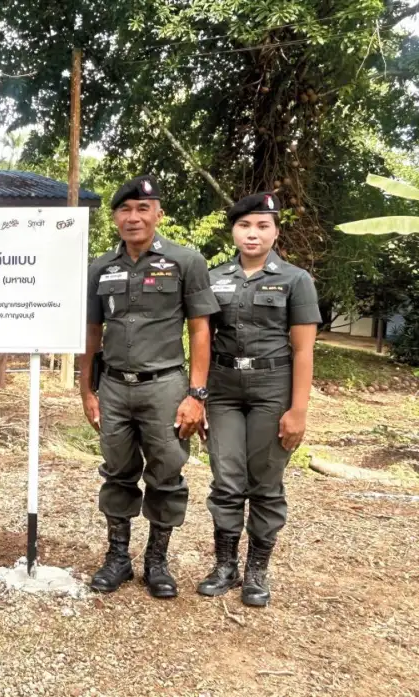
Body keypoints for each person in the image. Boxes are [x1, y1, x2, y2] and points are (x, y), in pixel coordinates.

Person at [80, 174, 219, 599]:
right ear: (115, 217)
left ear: (158, 214)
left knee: (166, 473)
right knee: (117, 472)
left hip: (165, 387)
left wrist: (196, 395)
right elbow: (91, 332)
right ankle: (118, 558)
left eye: (143, 209)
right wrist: (86, 390)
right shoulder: (100, 268)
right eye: (125, 209)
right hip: (114, 387)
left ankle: (157, 562)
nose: (134, 217)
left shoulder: (185, 261)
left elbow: (200, 331)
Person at [197, 192, 320, 607]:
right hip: (224, 388)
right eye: (245, 225)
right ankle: (225, 566)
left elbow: (303, 350)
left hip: (272, 387)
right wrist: (198, 396)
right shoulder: (214, 277)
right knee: (226, 479)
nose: (253, 233)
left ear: (275, 232)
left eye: (263, 226)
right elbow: (202, 339)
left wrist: (298, 410)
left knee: (266, 483)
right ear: (233, 231)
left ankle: (256, 571)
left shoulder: (295, 280)